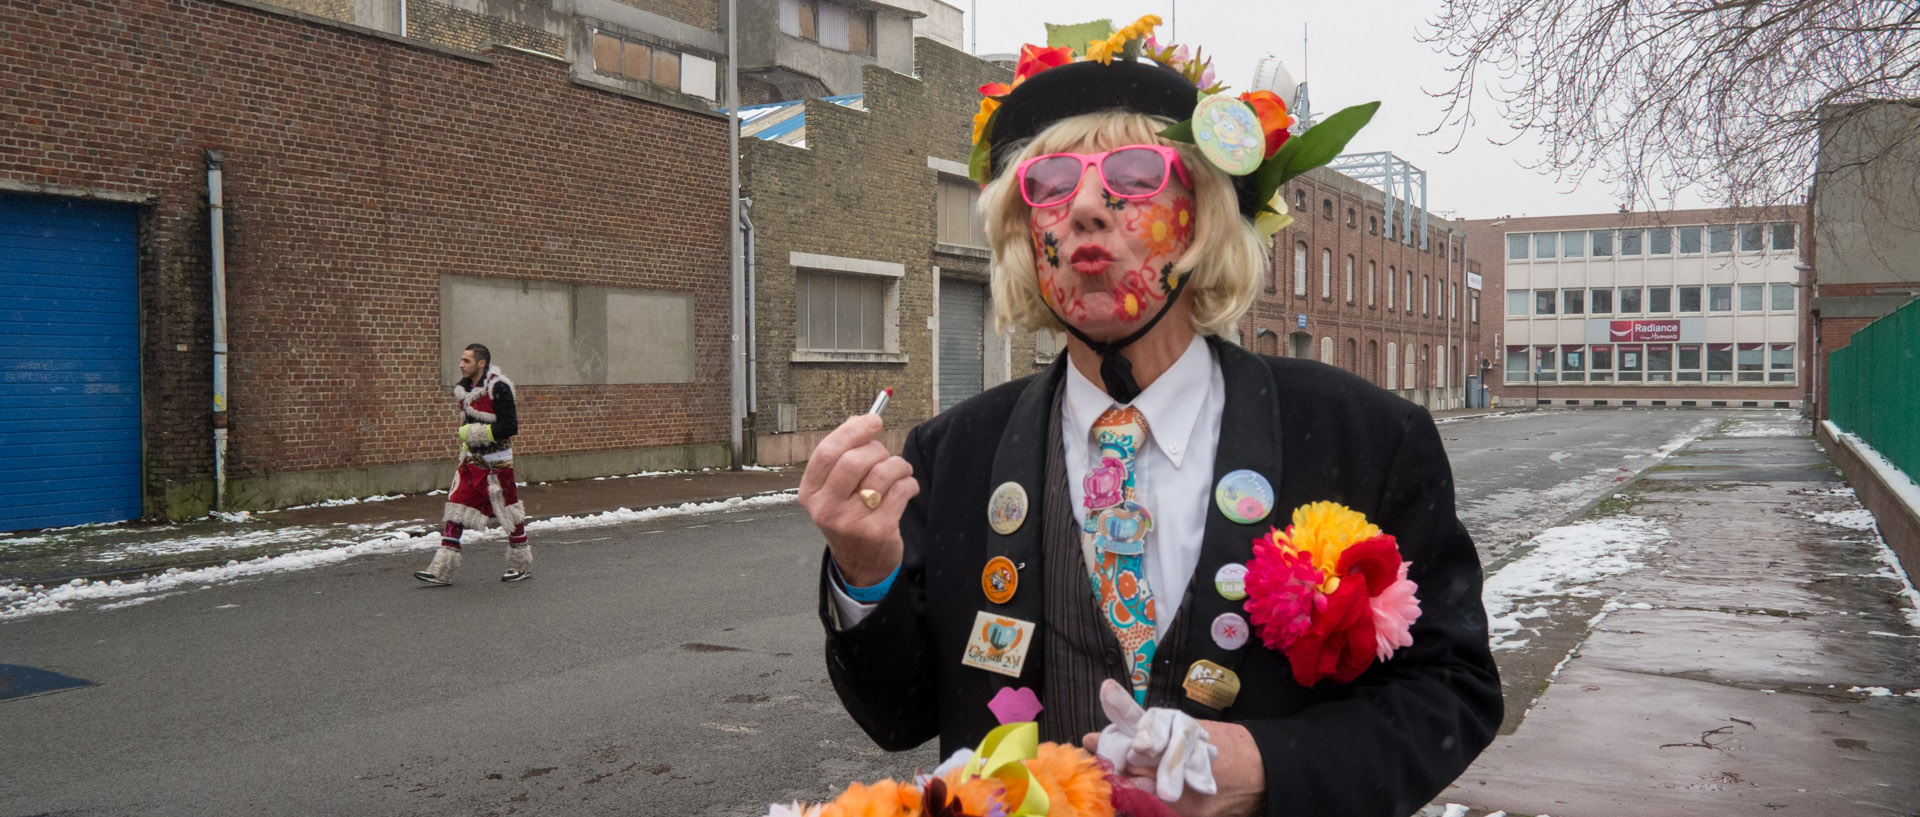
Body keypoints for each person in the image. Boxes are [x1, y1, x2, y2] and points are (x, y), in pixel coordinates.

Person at [800, 21, 1500, 817]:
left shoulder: (1366, 438)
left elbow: (1454, 690)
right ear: (1026, 235)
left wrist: (1264, 763)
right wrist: (865, 573)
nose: (1089, 206)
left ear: (1202, 219)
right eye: (1053, 182)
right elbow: (898, 717)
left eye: (1135, 174)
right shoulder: (953, 454)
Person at [414, 343, 531, 585]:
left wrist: (475, 433)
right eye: (461, 360)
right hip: (470, 463)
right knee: (456, 508)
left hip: (496, 465)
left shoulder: (498, 388)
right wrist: (467, 445)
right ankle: (441, 569)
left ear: (481, 363)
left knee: (508, 512)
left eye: (466, 361)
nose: (460, 364)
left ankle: (520, 563)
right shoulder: (466, 389)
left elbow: (510, 427)